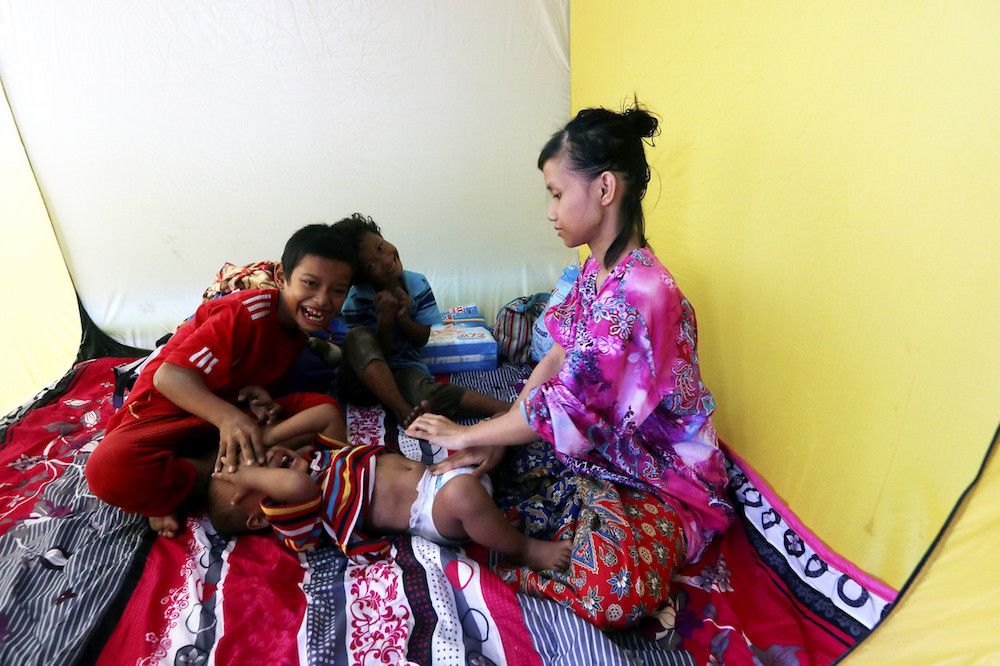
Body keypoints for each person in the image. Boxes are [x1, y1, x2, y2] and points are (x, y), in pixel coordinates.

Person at [407, 102, 734, 569]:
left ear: (604, 188)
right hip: (612, 450)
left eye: (557, 194)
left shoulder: (642, 291)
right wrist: (496, 434)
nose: (550, 211)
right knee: (499, 464)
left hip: (665, 473)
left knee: (610, 579)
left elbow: (568, 406)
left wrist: (469, 431)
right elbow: (559, 356)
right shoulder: (596, 271)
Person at [85, 223, 356, 538]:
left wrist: (262, 402)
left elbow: (246, 379)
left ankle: (205, 478)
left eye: (337, 290)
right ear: (282, 277)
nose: (323, 300)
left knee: (323, 407)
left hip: (221, 418)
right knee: (108, 468)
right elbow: (169, 376)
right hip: (168, 411)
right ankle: (226, 476)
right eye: (310, 283)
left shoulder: (297, 332)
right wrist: (230, 418)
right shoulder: (244, 312)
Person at [208, 403, 573, 571]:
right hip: (435, 510)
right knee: (464, 494)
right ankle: (524, 549)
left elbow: (328, 414)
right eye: (256, 468)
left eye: (258, 455)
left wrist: (264, 436)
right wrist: (243, 475)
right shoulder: (288, 517)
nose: (265, 458)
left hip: (441, 473)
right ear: (254, 515)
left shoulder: (322, 459)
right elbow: (296, 485)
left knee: (497, 426)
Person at [333, 213, 511, 426]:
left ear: (381, 236)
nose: (386, 261)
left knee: (427, 395)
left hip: (404, 369)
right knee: (357, 336)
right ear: (361, 278)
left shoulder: (417, 283)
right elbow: (376, 354)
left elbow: (423, 338)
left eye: (380, 247)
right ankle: (402, 410)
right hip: (362, 380)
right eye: (371, 266)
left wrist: (402, 318)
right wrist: (385, 320)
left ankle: (509, 409)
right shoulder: (355, 299)